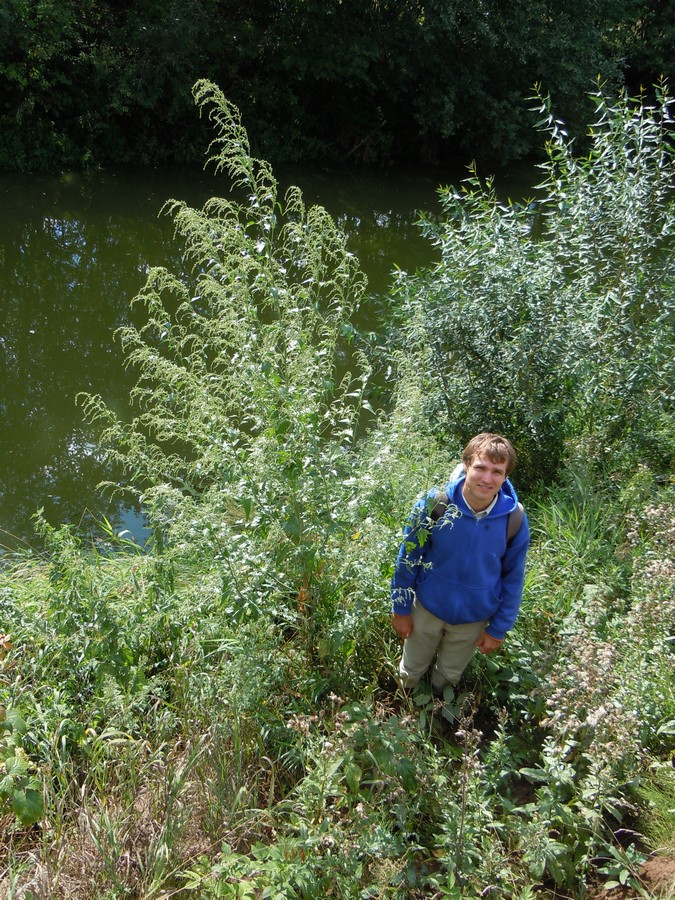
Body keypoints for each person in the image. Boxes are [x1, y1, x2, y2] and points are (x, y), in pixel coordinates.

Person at [391, 432, 530, 692]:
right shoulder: (435, 504)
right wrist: (401, 608)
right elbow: (408, 557)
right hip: (427, 608)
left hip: (473, 618)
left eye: (497, 472)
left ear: (506, 476)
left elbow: (513, 578)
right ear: (466, 465)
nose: (487, 479)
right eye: (480, 468)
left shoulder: (514, 520)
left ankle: (437, 714)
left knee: (448, 674)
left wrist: (498, 629)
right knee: (411, 668)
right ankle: (404, 704)